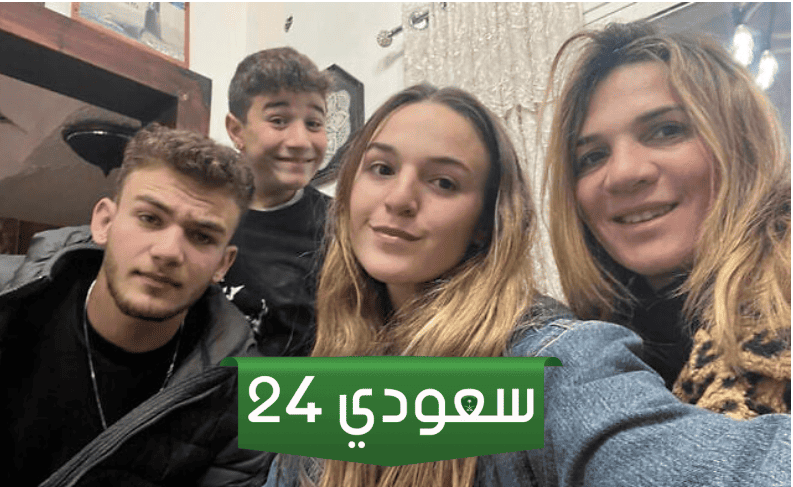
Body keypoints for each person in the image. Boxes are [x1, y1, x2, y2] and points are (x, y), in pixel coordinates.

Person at [264, 84, 790, 487]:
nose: (399, 198)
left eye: (444, 182)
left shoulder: (549, 362)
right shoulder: (327, 372)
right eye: (381, 168)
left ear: (485, 224)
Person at [0, 124, 271, 485]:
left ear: (222, 264)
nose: (168, 252)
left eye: (202, 236)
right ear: (104, 222)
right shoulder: (11, 300)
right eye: (150, 218)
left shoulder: (243, 397)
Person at [543, 21, 790, 418]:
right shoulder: (576, 350)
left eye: (666, 130)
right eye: (592, 156)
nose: (623, 173)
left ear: (741, 142)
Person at [223, 47, 332, 357]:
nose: (300, 141)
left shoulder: (342, 227)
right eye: (279, 120)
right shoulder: (203, 210)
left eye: (314, 123)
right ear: (236, 130)